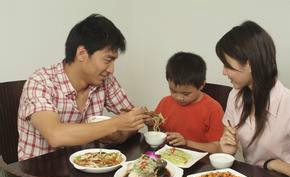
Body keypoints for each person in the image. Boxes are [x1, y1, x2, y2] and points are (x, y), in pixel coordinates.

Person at [17, 14, 149, 161]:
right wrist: (115, 124)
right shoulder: (41, 82)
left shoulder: (105, 80)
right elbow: (56, 135)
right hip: (36, 176)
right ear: (82, 54)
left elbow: (133, 121)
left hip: (86, 169)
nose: (111, 70)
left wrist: (116, 135)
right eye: (108, 60)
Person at [216, 20, 290, 177]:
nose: (223, 72)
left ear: (250, 63)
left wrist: (274, 164)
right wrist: (228, 151)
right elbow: (227, 143)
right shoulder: (235, 96)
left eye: (227, 65)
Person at [153, 52, 224, 153]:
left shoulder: (213, 109)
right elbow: (156, 133)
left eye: (186, 94)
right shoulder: (165, 102)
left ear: (202, 85)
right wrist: (150, 124)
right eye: (173, 91)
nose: (178, 97)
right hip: (168, 157)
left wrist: (186, 143)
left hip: (201, 163)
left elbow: (218, 148)